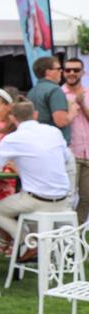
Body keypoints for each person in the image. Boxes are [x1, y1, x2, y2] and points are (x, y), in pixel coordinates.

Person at [0, 100, 73, 260]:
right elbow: (65, 158)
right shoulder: (54, 132)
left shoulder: (12, 139)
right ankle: (40, 246)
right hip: (63, 199)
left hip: (37, 200)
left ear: (12, 118)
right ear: (35, 115)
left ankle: (30, 242)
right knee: (24, 200)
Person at [62, 57, 89, 222]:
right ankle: (64, 236)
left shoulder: (87, 93)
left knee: (86, 198)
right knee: (67, 198)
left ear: (83, 72)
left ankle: (76, 237)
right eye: (68, 70)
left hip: (88, 153)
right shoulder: (58, 94)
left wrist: (82, 104)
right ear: (63, 73)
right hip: (70, 152)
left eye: (76, 70)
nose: (72, 73)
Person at [28, 55, 70, 142]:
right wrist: (72, 111)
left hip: (37, 141)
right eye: (58, 69)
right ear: (48, 72)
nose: (61, 71)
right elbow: (61, 121)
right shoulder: (55, 90)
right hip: (55, 143)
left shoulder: (31, 92)